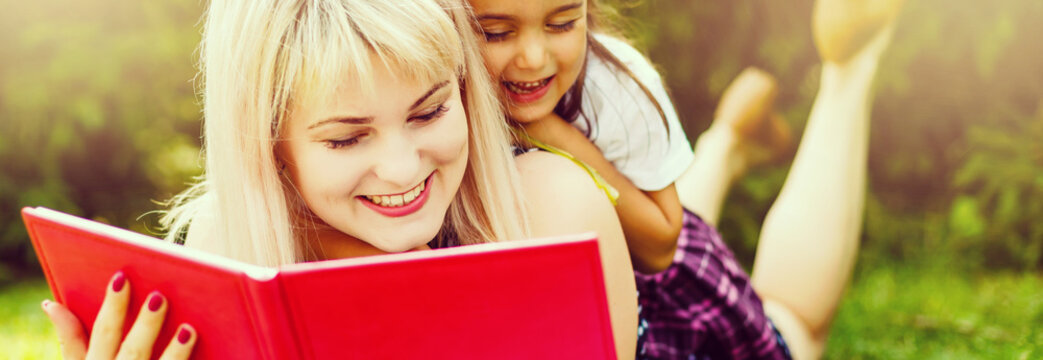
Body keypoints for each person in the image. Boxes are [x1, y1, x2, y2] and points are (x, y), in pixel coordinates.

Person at [39, 0, 640, 358]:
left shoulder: (557, 210)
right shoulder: (226, 249)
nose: (404, 169)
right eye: (346, 138)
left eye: (430, 111)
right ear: (270, 147)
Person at [465, 0, 904, 358]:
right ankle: (729, 140)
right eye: (497, 33)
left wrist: (550, 133)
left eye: (562, 23)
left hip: (659, 284)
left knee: (795, 330)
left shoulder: (612, 85)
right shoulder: (425, 95)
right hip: (621, 253)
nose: (534, 58)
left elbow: (661, 244)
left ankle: (846, 71)